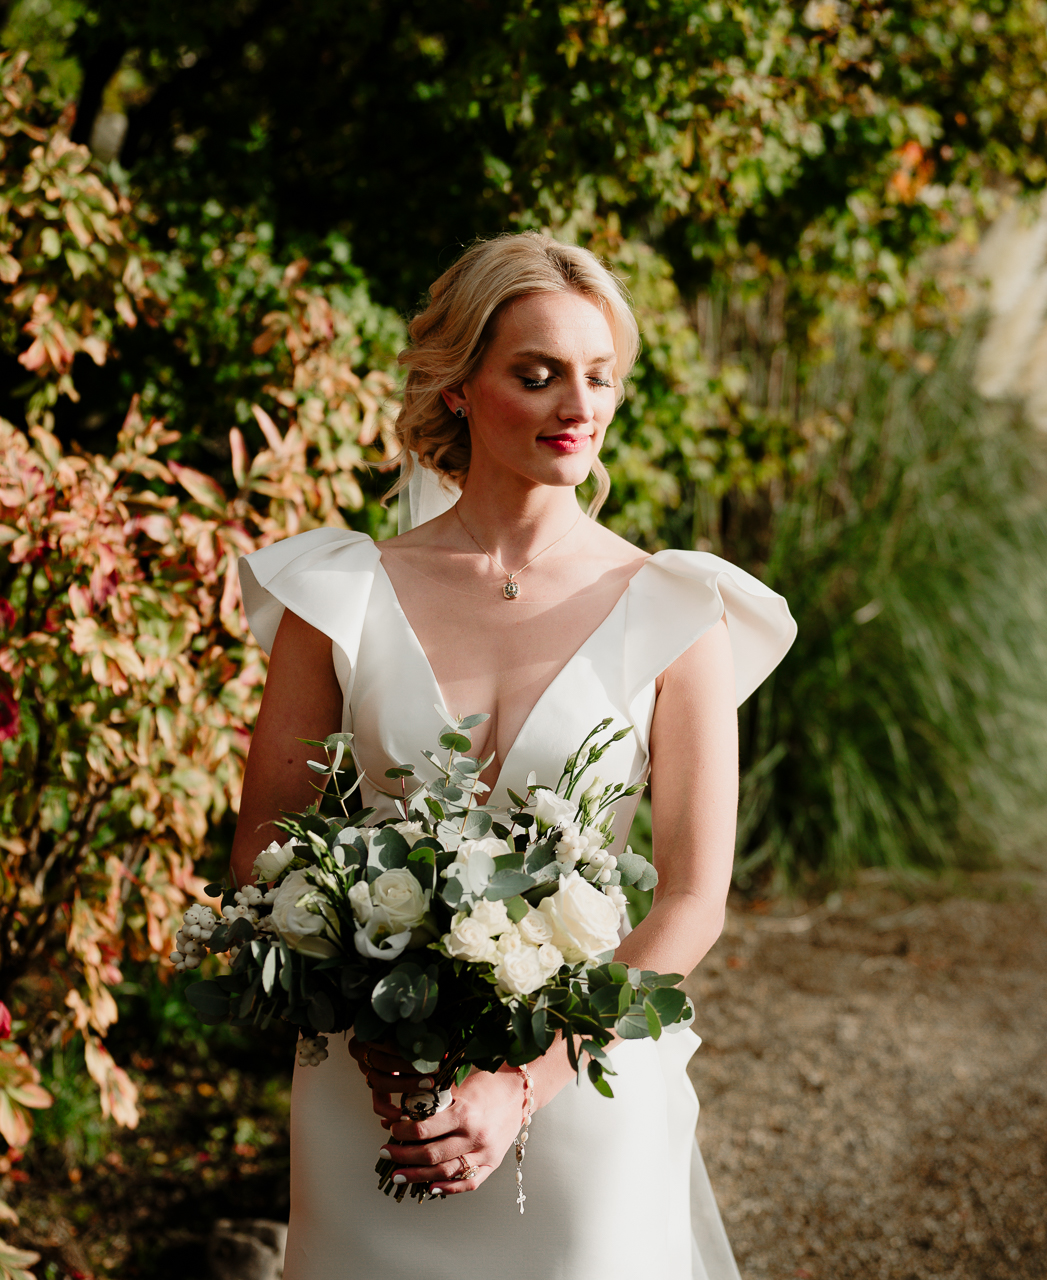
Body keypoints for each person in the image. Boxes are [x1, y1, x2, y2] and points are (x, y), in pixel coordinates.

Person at [230, 232, 796, 1279]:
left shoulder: (679, 606)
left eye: (596, 375)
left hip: (582, 1088)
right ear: (459, 389)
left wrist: (525, 1081)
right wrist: (375, 1042)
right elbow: (263, 844)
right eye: (535, 375)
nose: (574, 404)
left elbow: (692, 897)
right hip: (372, 1091)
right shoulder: (339, 592)